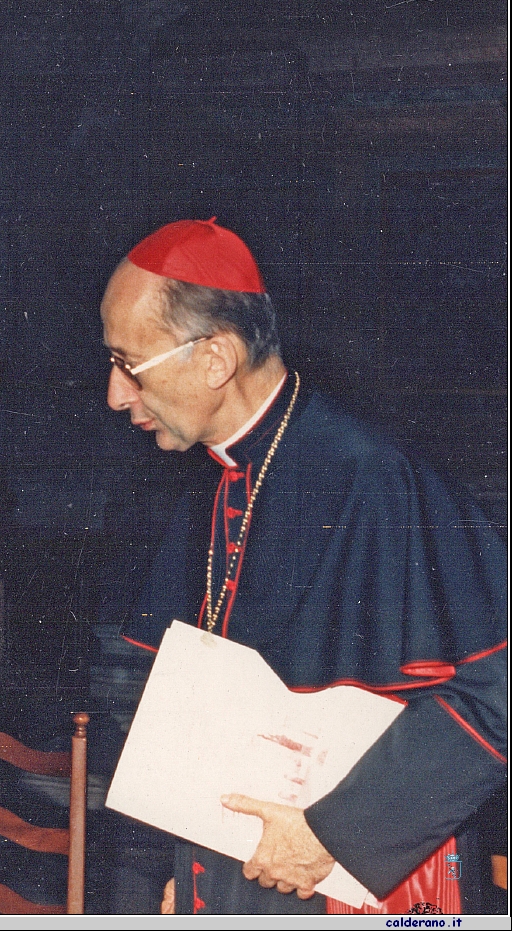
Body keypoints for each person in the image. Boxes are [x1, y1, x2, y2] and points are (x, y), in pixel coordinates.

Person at [101, 219, 507, 914]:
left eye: (129, 365)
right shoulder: (210, 478)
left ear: (215, 359)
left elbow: (496, 699)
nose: (115, 394)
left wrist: (335, 835)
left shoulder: (378, 479)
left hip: (356, 886)